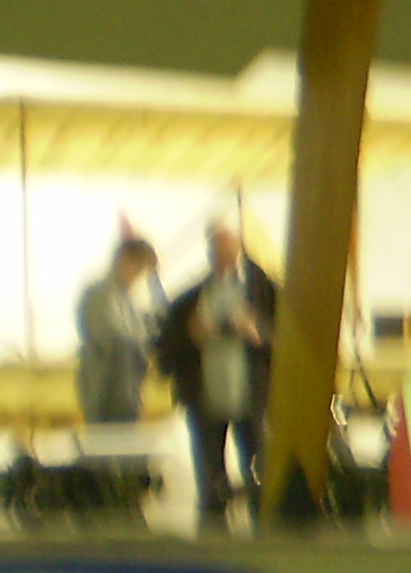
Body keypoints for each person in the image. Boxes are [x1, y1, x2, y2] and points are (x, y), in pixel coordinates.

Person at [160, 222, 275, 529]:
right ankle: (213, 525)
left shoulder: (265, 293)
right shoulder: (189, 301)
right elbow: (167, 349)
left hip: (251, 398)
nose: (223, 257)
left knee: (259, 468)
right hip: (206, 399)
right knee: (210, 475)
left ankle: (263, 524)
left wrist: (257, 333)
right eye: (217, 251)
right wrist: (193, 336)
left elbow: (287, 341)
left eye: (228, 250)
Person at [74, 235, 161, 428]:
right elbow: (113, 339)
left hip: (128, 394)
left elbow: (146, 331)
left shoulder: (128, 301)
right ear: (124, 260)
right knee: (108, 443)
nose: (139, 277)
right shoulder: (99, 296)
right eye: (138, 268)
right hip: (106, 393)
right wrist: (142, 348)